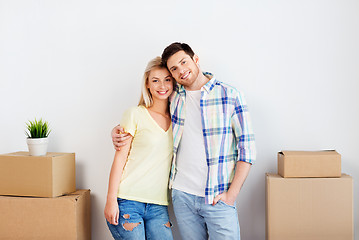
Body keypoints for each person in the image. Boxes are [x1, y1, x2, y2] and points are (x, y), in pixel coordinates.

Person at [112, 43, 256, 240]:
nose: (181, 71)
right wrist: (117, 130)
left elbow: (247, 150)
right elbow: (148, 114)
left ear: (195, 59)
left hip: (218, 196)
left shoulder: (230, 96)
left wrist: (231, 195)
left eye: (183, 62)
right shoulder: (174, 96)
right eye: (174, 68)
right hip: (182, 197)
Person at [104, 56, 175, 240]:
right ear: (148, 84)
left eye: (167, 79)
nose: (162, 85)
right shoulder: (135, 114)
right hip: (127, 202)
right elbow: (119, 160)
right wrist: (111, 200)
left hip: (158, 205)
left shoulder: (178, 120)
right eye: (155, 80)